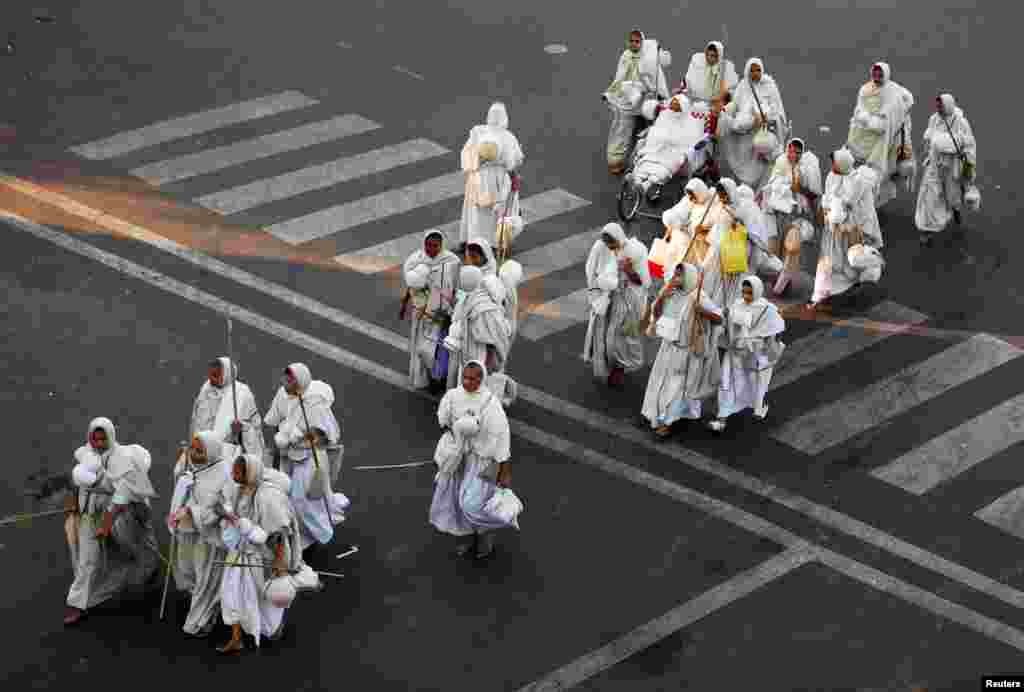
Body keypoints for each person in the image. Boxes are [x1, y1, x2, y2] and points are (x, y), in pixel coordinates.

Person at [65, 417, 159, 626]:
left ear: (110, 437)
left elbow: (122, 497)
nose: (98, 444)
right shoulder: (87, 454)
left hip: (118, 514)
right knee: (87, 560)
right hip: (90, 515)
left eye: (102, 440)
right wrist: (74, 502)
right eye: (94, 439)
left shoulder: (121, 460)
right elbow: (78, 482)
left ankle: (151, 567)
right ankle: (77, 604)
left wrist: (107, 525)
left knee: (134, 548)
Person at [218, 453, 311, 653]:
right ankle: (236, 637)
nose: (233, 474)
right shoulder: (238, 490)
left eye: (237, 471)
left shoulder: (268, 497)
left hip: (260, 557)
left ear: (249, 474)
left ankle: (271, 626)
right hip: (239, 553)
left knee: (262, 597)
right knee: (231, 594)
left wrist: (279, 561)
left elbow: (278, 533)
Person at [429, 361, 514, 560]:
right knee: (456, 502)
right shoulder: (452, 396)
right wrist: (457, 435)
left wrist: (505, 468)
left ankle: (486, 534)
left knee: (473, 504)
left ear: (482, 378)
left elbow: (502, 436)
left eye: (473, 378)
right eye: (465, 377)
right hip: (460, 459)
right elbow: (443, 420)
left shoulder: (490, 403)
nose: (468, 381)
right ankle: (466, 536)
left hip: (484, 461)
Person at [264, 364, 347, 556]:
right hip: (287, 456)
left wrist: (304, 438)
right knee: (286, 498)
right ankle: (296, 534)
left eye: (290, 379)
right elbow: (273, 420)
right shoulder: (281, 395)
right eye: (285, 378)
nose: (285, 382)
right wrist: (278, 442)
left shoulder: (315, 402)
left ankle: (317, 533)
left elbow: (327, 437)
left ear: (300, 381)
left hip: (310, 458)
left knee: (300, 499)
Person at [641, 263, 724, 438]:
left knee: (675, 388)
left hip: (686, 352)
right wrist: (662, 296)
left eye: (680, 275)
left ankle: (666, 421)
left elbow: (719, 319)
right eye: (675, 274)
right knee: (662, 383)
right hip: (667, 348)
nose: (675, 278)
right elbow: (655, 314)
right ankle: (667, 413)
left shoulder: (698, 296)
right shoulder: (670, 292)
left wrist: (702, 311)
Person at [168, 430, 233, 637]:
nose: (194, 454)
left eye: (199, 451)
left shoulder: (224, 476)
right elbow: (181, 480)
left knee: (206, 577)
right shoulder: (192, 467)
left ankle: (201, 619)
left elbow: (221, 509)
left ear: (212, 452)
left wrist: (192, 512)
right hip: (187, 531)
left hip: (208, 538)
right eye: (192, 450)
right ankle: (204, 601)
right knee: (187, 569)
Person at [707, 276, 785, 432]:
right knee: (726, 383)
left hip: (756, 355)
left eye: (749, 293)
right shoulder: (736, 305)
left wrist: (765, 343)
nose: (746, 296)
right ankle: (722, 418)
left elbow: (777, 329)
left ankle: (758, 406)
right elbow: (728, 325)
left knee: (756, 384)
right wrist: (725, 315)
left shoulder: (767, 309)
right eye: (744, 292)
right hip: (734, 352)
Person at [809, 149, 884, 309]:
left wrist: (845, 220)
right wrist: (827, 211)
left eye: (835, 162)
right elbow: (828, 197)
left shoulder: (858, 182)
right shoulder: (831, 176)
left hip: (850, 229)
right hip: (833, 229)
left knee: (850, 262)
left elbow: (861, 208)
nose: (832, 165)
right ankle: (825, 294)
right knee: (830, 260)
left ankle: (854, 288)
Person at [583, 222, 651, 387]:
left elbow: (644, 282)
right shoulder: (614, 251)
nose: (610, 247)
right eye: (608, 244)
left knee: (623, 336)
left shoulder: (636, 250)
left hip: (631, 300)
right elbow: (607, 274)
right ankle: (614, 365)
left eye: (611, 243)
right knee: (611, 336)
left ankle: (620, 367)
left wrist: (628, 270)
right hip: (616, 299)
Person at [846, 62, 915, 207]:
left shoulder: (893, 92)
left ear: (886, 74)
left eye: (880, 73)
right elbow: (858, 110)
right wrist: (865, 120)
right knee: (858, 171)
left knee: (877, 175)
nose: (876, 76)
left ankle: (870, 205)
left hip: (883, 142)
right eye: (875, 73)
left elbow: (888, 120)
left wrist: (871, 121)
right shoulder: (865, 89)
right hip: (862, 139)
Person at [760, 138, 823, 294]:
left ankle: (780, 286)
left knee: (792, 246)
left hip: (798, 217)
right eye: (791, 150)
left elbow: (815, 195)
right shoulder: (781, 162)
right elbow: (771, 185)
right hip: (777, 215)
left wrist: (799, 188)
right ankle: (780, 281)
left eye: (797, 151)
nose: (793, 154)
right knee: (772, 252)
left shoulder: (808, 168)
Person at [604, 30, 672, 175]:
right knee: (621, 130)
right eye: (631, 41)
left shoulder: (649, 58)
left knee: (647, 133)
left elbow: (657, 79)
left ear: (641, 43)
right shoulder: (626, 56)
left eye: (637, 41)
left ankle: (643, 165)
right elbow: (619, 78)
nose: (634, 44)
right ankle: (615, 161)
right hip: (627, 102)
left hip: (645, 103)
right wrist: (610, 94)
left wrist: (658, 95)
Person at [458, 102, 525, 249]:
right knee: (501, 211)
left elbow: (466, 157)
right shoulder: (509, 137)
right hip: (500, 179)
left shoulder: (478, 132)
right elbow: (515, 161)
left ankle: (473, 241)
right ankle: (498, 244)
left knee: (477, 211)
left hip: (479, 177)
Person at [914, 93, 977, 245]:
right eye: (937, 105)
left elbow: (969, 144)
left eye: (941, 105)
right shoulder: (934, 119)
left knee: (952, 196)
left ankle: (955, 209)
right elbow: (929, 140)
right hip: (935, 166)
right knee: (929, 197)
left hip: (952, 167)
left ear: (949, 105)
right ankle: (926, 230)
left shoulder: (961, 122)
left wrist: (967, 164)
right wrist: (926, 151)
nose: (938, 108)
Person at [403, 230, 460, 392]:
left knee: (440, 348)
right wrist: (426, 308)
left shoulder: (452, 261)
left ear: (442, 245)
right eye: (428, 245)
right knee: (423, 348)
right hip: (424, 314)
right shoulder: (415, 261)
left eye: (435, 246)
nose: (431, 249)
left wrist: (451, 308)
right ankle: (422, 376)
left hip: (445, 313)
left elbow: (457, 287)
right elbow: (412, 288)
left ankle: (438, 377)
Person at [720, 57, 788, 189]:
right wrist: (725, 111)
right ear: (747, 71)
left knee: (762, 168)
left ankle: (759, 195)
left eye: (758, 70)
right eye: (752, 70)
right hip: (744, 135)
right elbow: (735, 105)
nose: (755, 73)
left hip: (762, 134)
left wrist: (765, 118)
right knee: (745, 166)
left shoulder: (770, 86)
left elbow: (778, 110)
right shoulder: (743, 85)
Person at [444, 265, 513, 389]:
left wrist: (489, 363)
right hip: (469, 352)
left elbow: (493, 337)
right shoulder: (470, 296)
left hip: (480, 356)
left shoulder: (482, 306)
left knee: (476, 387)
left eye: (460, 280)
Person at [189, 357, 264, 455]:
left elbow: (254, 427)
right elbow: (196, 419)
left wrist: (241, 429)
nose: (211, 379)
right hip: (202, 448)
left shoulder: (242, 393)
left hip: (227, 452)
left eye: (215, 375)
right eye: (210, 374)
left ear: (227, 375)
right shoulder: (206, 388)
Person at [661, 178, 717, 271]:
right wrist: (670, 231)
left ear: (700, 193)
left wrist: (704, 229)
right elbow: (675, 214)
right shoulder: (688, 201)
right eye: (689, 196)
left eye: (693, 196)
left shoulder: (712, 203)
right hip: (688, 237)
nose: (690, 199)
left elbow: (717, 224)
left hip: (701, 243)